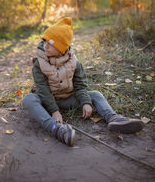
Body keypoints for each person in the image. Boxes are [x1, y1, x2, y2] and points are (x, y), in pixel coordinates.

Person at [23, 17, 144, 147]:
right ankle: (56, 128)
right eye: (44, 40)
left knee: (95, 95)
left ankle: (114, 118)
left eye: (50, 43)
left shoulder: (74, 63)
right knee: (29, 99)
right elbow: (42, 89)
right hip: (47, 100)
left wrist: (85, 102)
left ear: (61, 47)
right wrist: (54, 111)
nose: (45, 45)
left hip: (68, 98)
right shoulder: (39, 63)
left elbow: (80, 85)